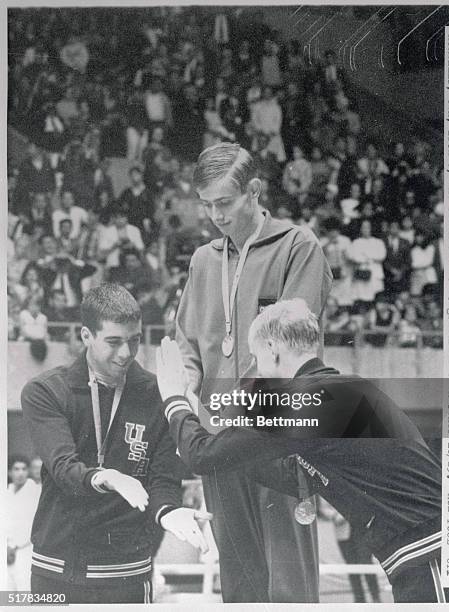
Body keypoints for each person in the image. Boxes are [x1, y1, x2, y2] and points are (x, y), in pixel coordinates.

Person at [158, 298, 445, 603]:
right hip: (425, 549)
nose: (257, 372)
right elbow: (288, 476)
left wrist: (174, 399)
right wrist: (200, 422)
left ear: (272, 349)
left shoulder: (305, 399)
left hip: (429, 551)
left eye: (256, 358)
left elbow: (202, 456)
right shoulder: (342, 389)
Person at [176, 142, 332, 603]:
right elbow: (186, 341)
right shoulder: (204, 260)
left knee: (288, 587)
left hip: (273, 437)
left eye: (224, 203)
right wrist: (187, 392)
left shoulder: (296, 246)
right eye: (206, 206)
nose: (215, 216)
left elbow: (291, 344)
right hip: (218, 440)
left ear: (254, 191)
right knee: (239, 585)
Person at [21, 283, 211, 603]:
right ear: (85, 336)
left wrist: (167, 511)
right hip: (57, 569)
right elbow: (63, 467)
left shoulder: (156, 393)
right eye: (113, 342)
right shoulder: (46, 390)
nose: (125, 353)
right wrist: (107, 475)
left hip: (127, 573)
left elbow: (163, 477)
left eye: (134, 341)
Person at [7, 455, 41, 591]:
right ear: (9, 472)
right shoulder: (6, 492)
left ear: (28, 472)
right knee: (6, 597)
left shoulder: (35, 491)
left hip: (25, 549)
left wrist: (14, 546)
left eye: (23, 469)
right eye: (16, 469)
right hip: (5, 550)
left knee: (24, 592)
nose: (20, 473)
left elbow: (31, 526)